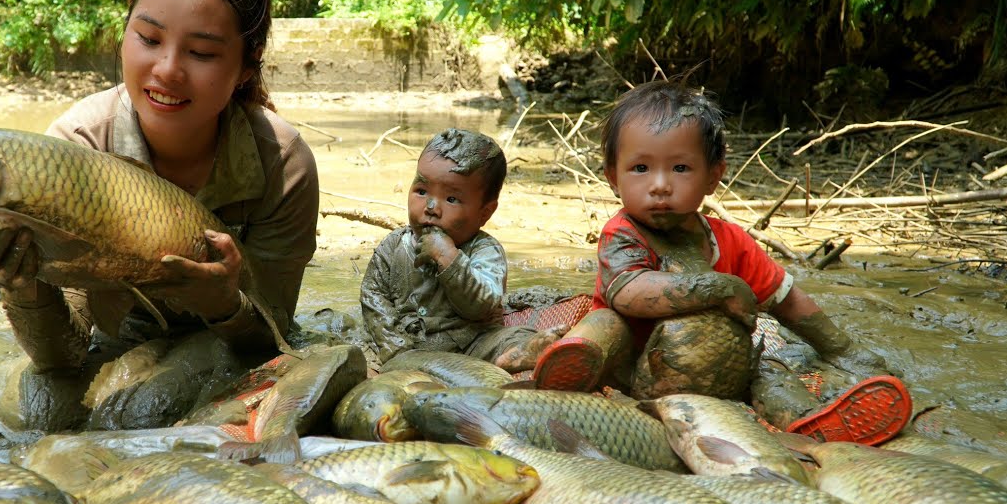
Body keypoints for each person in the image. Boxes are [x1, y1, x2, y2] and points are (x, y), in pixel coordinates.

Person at [0, 0, 320, 432]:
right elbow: (64, 355)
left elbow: (271, 339)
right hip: (117, 343)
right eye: (148, 39)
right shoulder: (72, 149)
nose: (167, 70)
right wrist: (22, 284)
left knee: (171, 407)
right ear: (123, 36)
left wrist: (225, 304)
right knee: (38, 411)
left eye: (202, 52)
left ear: (246, 66)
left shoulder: (283, 162)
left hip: (225, 344)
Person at [534, 79, 911, 444]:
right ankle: (571, 368)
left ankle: (807, 422)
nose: (660, 184)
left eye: (680, 168)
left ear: (714, 176)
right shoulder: (622, 232)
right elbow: (628, 293)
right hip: (627, 366)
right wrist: (718, 287)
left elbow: (786, 299)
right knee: (604, 323)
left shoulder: (730, 240)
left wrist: (840, 349)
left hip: (718, 370)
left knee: (768, 371)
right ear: (613, 178)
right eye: (641, 169)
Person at [360, 128, 564, 366]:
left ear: (484, 213)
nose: (432, 207)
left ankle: (524, 354)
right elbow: (373, 298)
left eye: (451, 199)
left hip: (471, 345)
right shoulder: (393, 246)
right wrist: (394, 347)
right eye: (422, 191)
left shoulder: (485, 250)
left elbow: (481, 306)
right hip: (404, 344)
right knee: (360, 347)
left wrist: (449, 258)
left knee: (511, 336)